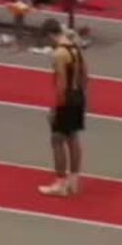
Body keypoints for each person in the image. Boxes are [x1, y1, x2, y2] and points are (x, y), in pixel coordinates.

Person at [38, 17, 87, 197]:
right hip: (78, 95)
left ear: (50, 35)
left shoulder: (59, 54)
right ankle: (73, 181)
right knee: (73, 138)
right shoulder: (75, 47)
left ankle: (60, 183)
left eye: (46, 40)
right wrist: (81, 96)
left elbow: (61, 85)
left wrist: (56, 109)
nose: (47, 44)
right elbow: (85, 74)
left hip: (66, 98)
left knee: (56, 140)